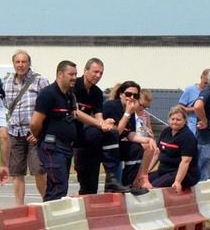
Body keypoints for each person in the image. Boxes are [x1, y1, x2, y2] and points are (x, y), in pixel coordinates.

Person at [31, 61, 112, 201]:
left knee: (61, 185)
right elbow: (35, 123)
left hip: (66, 145)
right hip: (52, 145)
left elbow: (75, 114)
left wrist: (103, 123)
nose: (74, 77)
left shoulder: (69, 96)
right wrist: (40, 137)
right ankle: (51, 219)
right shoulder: (48, 94)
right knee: (58, 185)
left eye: (75, 74)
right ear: (60, 74)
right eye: (71, 74)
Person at [2, 51, 49, 205]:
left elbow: (48, 107)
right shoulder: (7, 82)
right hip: (15, 132)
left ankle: (47, 202)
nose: (20, 65)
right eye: (18, 62)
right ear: (13, 64)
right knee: (16, 172)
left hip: (34, 133)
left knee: (38, 169)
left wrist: (39, 132)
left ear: (29, 63)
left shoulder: (40, 81)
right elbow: (4, 106)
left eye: (24, 62)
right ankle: (19, 207)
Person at [72, 58, 115, 194]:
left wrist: (105, 123)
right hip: (70, 130)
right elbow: (75, 112)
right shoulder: (74, 86)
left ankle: (111, 175)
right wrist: (99, 124)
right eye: (95, 72)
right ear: (85, 71)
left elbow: (98, 116)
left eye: (101, 73)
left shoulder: (97, 92)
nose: (98, 76)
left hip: (87, 133)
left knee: (112, 133)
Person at [102, 81, 155, 190]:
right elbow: (117, 133)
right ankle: (114, 183)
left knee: (137, 149)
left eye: (135, 96)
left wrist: (147, 140)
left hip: (118, 145)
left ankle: (129, 184)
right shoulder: (112, 106)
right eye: (128, 94)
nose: (131, 97)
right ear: (121, 94)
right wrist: (127, 113)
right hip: (107, 147)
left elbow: (130, 134)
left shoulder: (131, 111)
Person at [141, 105, 198, 190]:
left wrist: (178, 181)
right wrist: (146, 173)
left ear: (185, 121)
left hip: (181, 173)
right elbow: (157, 153)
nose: (175, 122)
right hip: (164, 170)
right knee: (143, 183)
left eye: (178, 120)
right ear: (169, 119)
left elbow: (185, 161)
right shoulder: (166, 132)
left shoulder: (188, 137)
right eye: (172, 119)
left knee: (153, 186)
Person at [178, 68, 210, 135]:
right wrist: (194, 109)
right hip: (192, 126)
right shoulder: (190, 90)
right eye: (205, 83)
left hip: (206, 128)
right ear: (201, 77)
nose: (206, 86)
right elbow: (179, 107)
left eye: (209, 84)